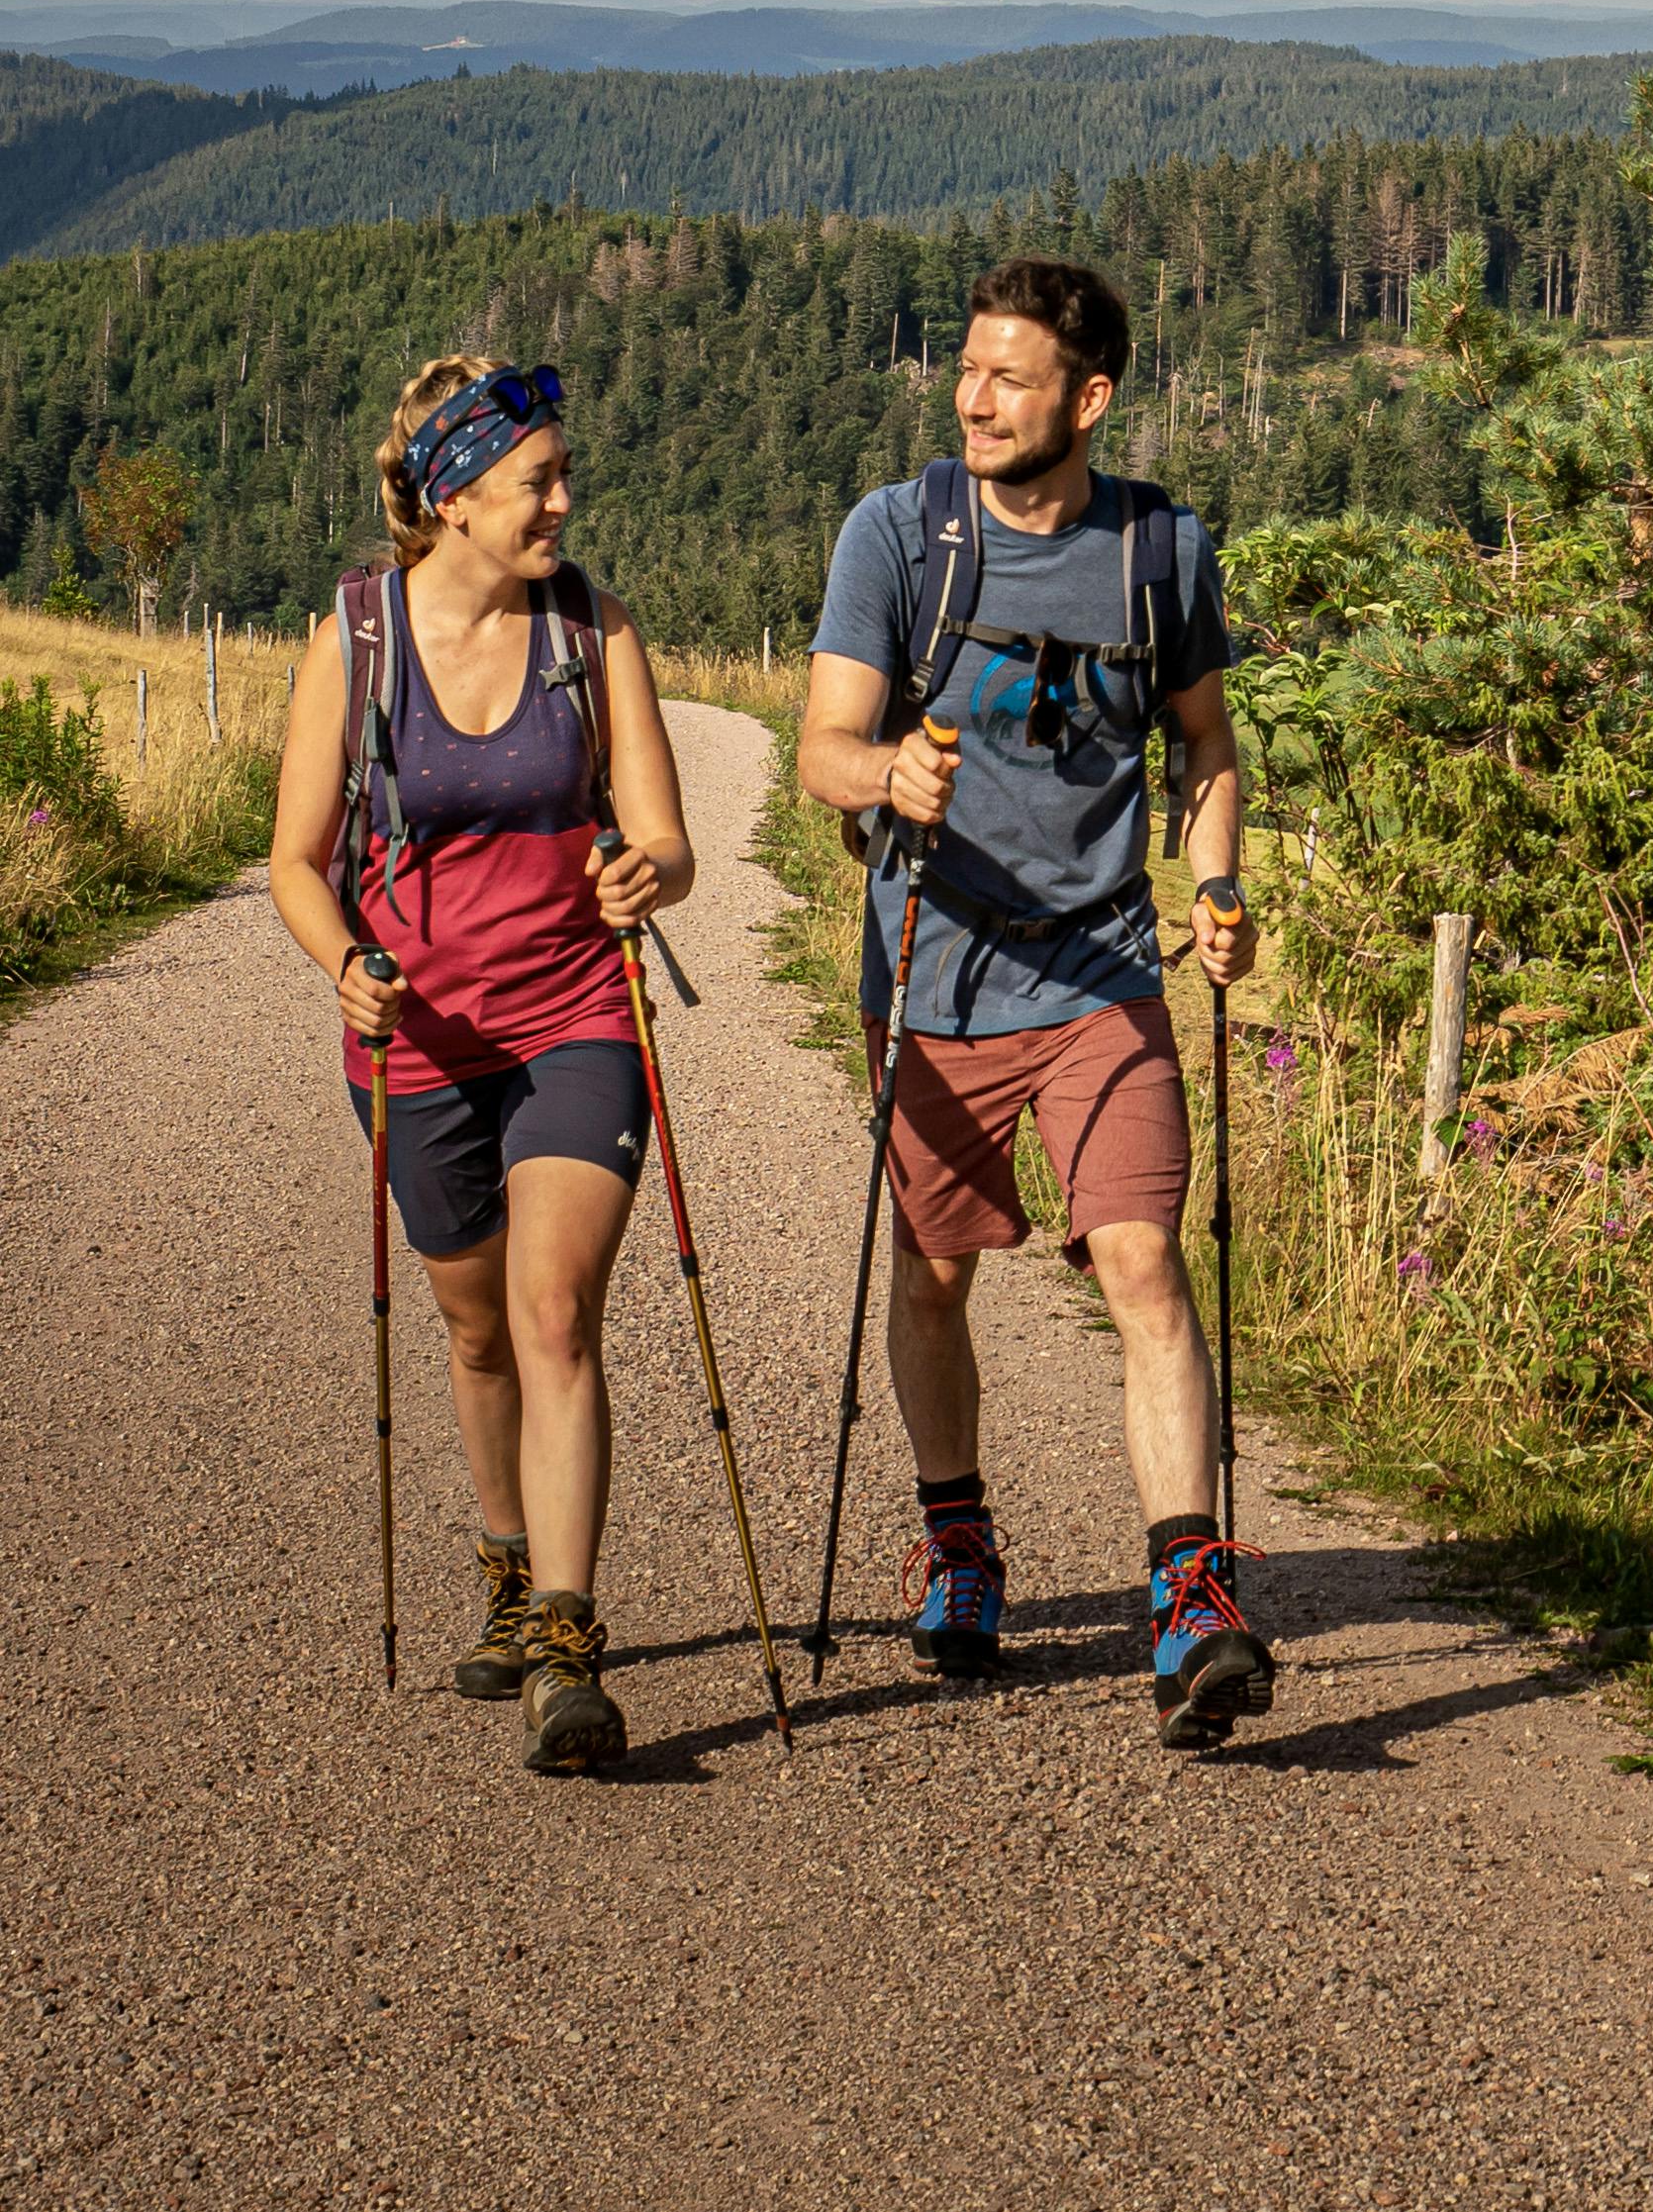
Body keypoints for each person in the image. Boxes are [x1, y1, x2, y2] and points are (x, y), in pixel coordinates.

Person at [797, 255, 1267, 1747]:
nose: (975, 398)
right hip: (934, 971)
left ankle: (1192, 1597)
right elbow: (820, 750)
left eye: (1010, 376)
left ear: (1090, 398)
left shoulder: (1159, 551)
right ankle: (960, 1545)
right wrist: (889, 774)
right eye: (969, 371)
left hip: (1107, 965)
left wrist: (1218, 884)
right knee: (937, 1275)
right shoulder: (900, 534)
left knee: (1142, 1262)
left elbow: (1208, 746)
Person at [270, 354, 698, 1776]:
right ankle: (508, 1567)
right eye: (537, 483)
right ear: (452, 497)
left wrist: (646, 874)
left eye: (562, 477)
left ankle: (568, 1647)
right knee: (474, 1330)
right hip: (416, 1042)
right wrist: (346, 963)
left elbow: (666, 836)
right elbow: (296, 858)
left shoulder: (592, 628)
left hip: (578, 1015)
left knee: (554, 1306)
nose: (564, 504)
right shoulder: (357, 637)